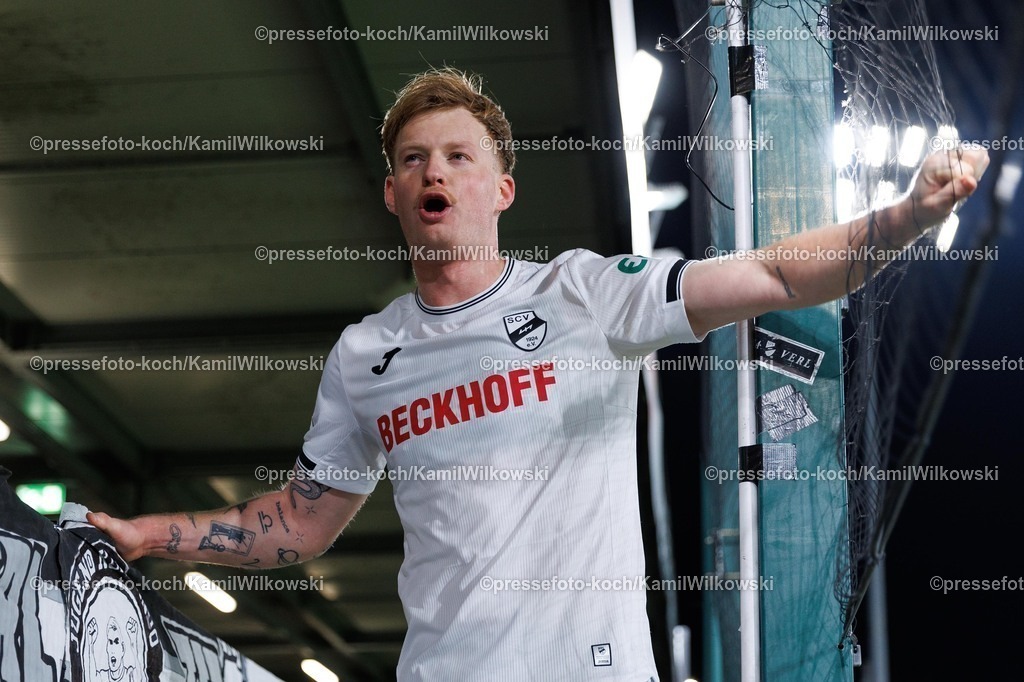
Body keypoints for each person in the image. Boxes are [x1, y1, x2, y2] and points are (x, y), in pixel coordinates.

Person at [88, 68, 989, 681]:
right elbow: (299, 523)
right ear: (393, 194)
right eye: (413, 160)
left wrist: (907, 215)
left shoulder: (586, 293)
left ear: (501, 190)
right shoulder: (365, 354)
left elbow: (778, 276)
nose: (435, 172)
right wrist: (151, 534)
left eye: (459, 156)